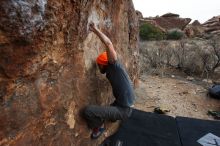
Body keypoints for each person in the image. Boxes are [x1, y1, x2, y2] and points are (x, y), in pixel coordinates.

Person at [83, 22, 136, 139]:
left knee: (88, 111)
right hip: (124, 104)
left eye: (99, 65)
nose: (98, 68)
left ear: (104, 64)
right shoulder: (115, 70)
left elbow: (108, 43)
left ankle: (99, 127)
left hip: (124, 110)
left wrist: (94, 29)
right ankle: (114, 116)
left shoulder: (114, 65)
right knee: (111, 114)